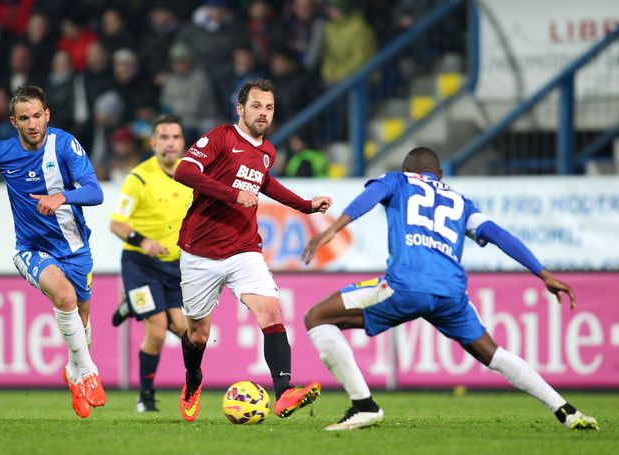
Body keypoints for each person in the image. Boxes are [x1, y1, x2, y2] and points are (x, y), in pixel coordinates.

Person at [301, 147, 599, 431]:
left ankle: (363, 404)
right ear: (440, 174)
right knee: (492, 353)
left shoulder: (397, 180)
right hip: (451, 293)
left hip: (407, 285)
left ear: (407, 169)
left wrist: (331, 230)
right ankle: (566, 411)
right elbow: (498, 234)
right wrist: (544, 274)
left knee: (317, 317)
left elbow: (369, 196)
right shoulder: (461, 202)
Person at [173, 78, 332, 422]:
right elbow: (183, 171)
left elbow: (264, 183)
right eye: (257, 106)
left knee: (271, 313)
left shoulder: (267, 151)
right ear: (241, 109)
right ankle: (193, 378)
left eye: (269, 107)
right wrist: (232, 194)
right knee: (198, 334)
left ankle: (284, 392)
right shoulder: (220, 137)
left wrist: (306, 205)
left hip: (244, 248)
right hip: (199, 251)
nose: (263, 113)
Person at [0, 85, 106, 419]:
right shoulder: (2, 151)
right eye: (24, 118)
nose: (32, 124)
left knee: (82, 316)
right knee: (65, 297)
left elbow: (95, 191)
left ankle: (73, 370)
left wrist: (62, 197)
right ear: (13, 122)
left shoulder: (65, 145)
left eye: (37, 116)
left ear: (48, 115)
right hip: (31, 249)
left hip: (75, 247)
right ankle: (88, 372)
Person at [109, 115, 193, 412]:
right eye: (164, 137)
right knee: (157, 331)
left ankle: (133, 304)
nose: (170, 143)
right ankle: (145, 396)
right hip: (141, 264)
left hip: (175, 267)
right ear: (153, 142)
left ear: (183, 142)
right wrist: (143, 241)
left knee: (186, 332)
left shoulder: (193, 177)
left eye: (175, 137)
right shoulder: (139, 178)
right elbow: (116, 224)